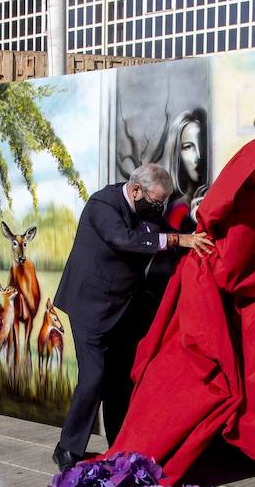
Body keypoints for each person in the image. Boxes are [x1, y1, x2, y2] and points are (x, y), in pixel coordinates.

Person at [51, 163, 213, 471]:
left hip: (122, 307)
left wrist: (194, 239)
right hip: (90, 306)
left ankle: (119, 445)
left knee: (120, 380)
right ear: (136, 189)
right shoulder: (103, 204)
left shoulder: (147, 208)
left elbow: (165, 232)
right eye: (154, 202)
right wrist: (179, 241)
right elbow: (123, 239)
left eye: (161, 203)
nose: (158, 208)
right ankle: (68, 448)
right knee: (94, 376)